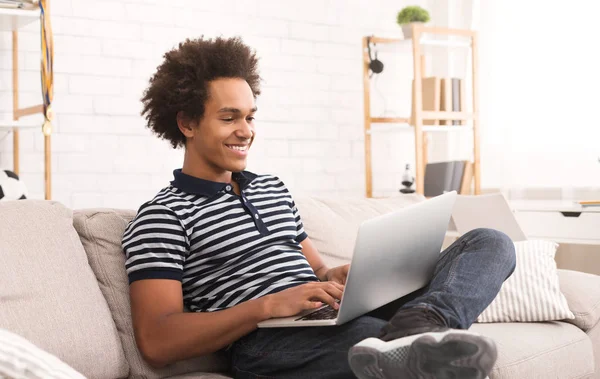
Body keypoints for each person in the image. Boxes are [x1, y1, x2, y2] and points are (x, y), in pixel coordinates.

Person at [122, 36, 516, 379]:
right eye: (229, 118)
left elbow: (318, 270)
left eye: (250, 116)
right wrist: (267, 306)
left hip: (331, 314)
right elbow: (158, 339)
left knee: (490, 242)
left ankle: (423, 324)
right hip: (270, 344)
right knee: (375, 344)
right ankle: (410, 347)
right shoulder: (163, 217)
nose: (246, 131)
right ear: (187, 124)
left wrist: (343, 275)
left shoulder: (272, 189)